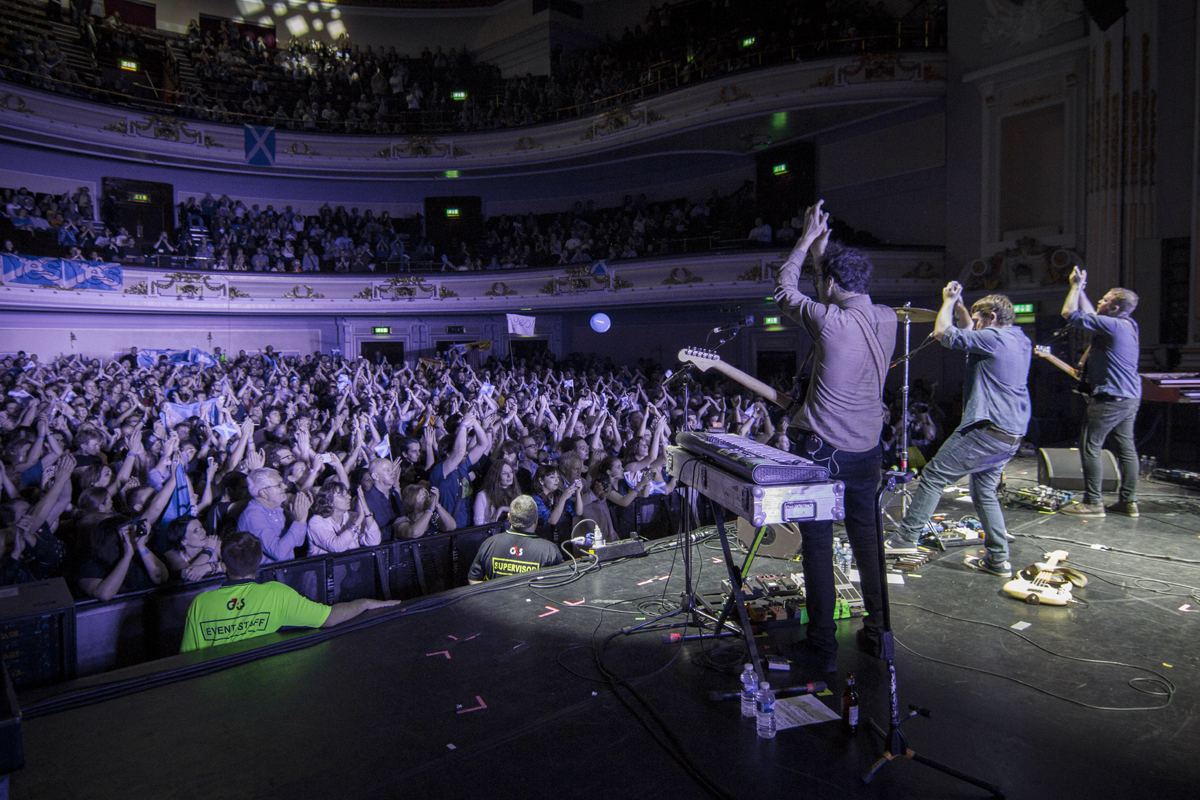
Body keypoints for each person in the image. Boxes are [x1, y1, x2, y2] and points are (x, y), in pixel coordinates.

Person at [773, 199, 896, 672]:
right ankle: (879, 635)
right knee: (868, 543)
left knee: (819, 547)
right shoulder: (885, 318)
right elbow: (832, 286)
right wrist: (825, 252)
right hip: (868, 452)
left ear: (827, 285)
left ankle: (822, 645)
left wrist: (804, 241)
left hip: (823, 450)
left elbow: (784, 290)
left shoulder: (828, 320)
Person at [883, 286, 1031, 579]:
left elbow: (943, 334)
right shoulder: (1020, 339)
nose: (974, 326)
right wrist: (963, 310)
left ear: (990, 318)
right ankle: (998, 559)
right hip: (1012, 433)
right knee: (984, 492)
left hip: (986, 429)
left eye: (978, 320)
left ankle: (903, 542)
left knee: (934, 477)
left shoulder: (992, 337)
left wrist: (948, 302)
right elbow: (971, 334)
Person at [180, 531, 398, 652]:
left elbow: (187, 660)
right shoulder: (276, 593)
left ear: (224, 565)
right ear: (258, 564)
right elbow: (329, 618)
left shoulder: (201, 603)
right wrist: (365, 603)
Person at [1059, 267, 1141, 517]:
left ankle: (1093, 502)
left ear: (1114, 308)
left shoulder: (1112, 325)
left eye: (1104, 300)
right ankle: (1128, 502)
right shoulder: (1127, 324)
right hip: (1129, 397)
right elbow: (1092, 314)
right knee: (1126, 449)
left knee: (1090, 446)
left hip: (1110, 398)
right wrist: (1081, 288)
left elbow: (1069, 313)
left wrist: (1074, 288)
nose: (1099, 301)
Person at [467, 495, 563, 583]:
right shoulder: (549, 550)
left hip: (496, 601)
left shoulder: (489, 544)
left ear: (509, 517)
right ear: (536, 519)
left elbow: (474, 579)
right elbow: (561, 582)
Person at [237, 467, 311, 563]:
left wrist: (302, 516)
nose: (285, 486)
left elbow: (298, 542)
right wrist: (299, 520)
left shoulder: (277, 508)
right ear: (264, 493)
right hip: (267, 576)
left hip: (285, 571)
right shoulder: (253, 516)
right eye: (279, 485)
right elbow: (278, 553)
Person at [306, 481, 381, 555]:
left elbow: (374, 541)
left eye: (347, 493)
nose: (349, 497)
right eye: (342, 495)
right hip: (325, 566)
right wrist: (359, 520)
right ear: (329, 501)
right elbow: (337, 547)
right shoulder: (316, 522)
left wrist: (366, 511)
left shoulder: (351, 516)